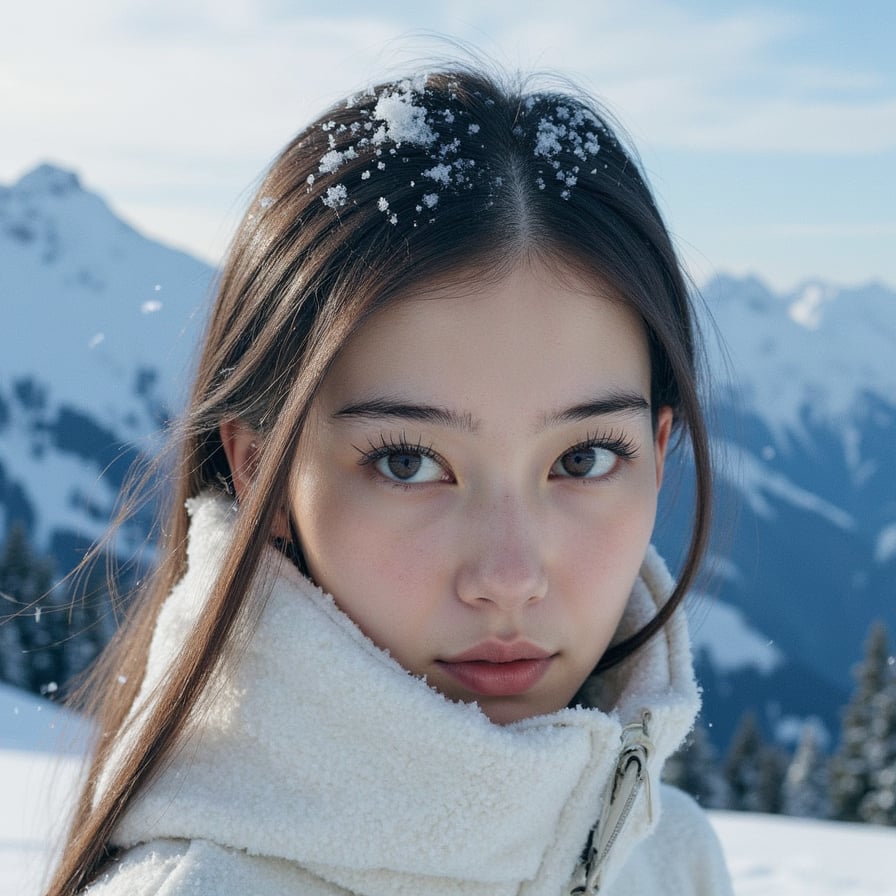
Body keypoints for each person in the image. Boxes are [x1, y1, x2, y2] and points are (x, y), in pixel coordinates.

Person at [47, 65, 733, 895]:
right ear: (259, 465)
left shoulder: (667, 857)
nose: (508, 579)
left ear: (658, 454)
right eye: (408, 463)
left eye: (582, 459)